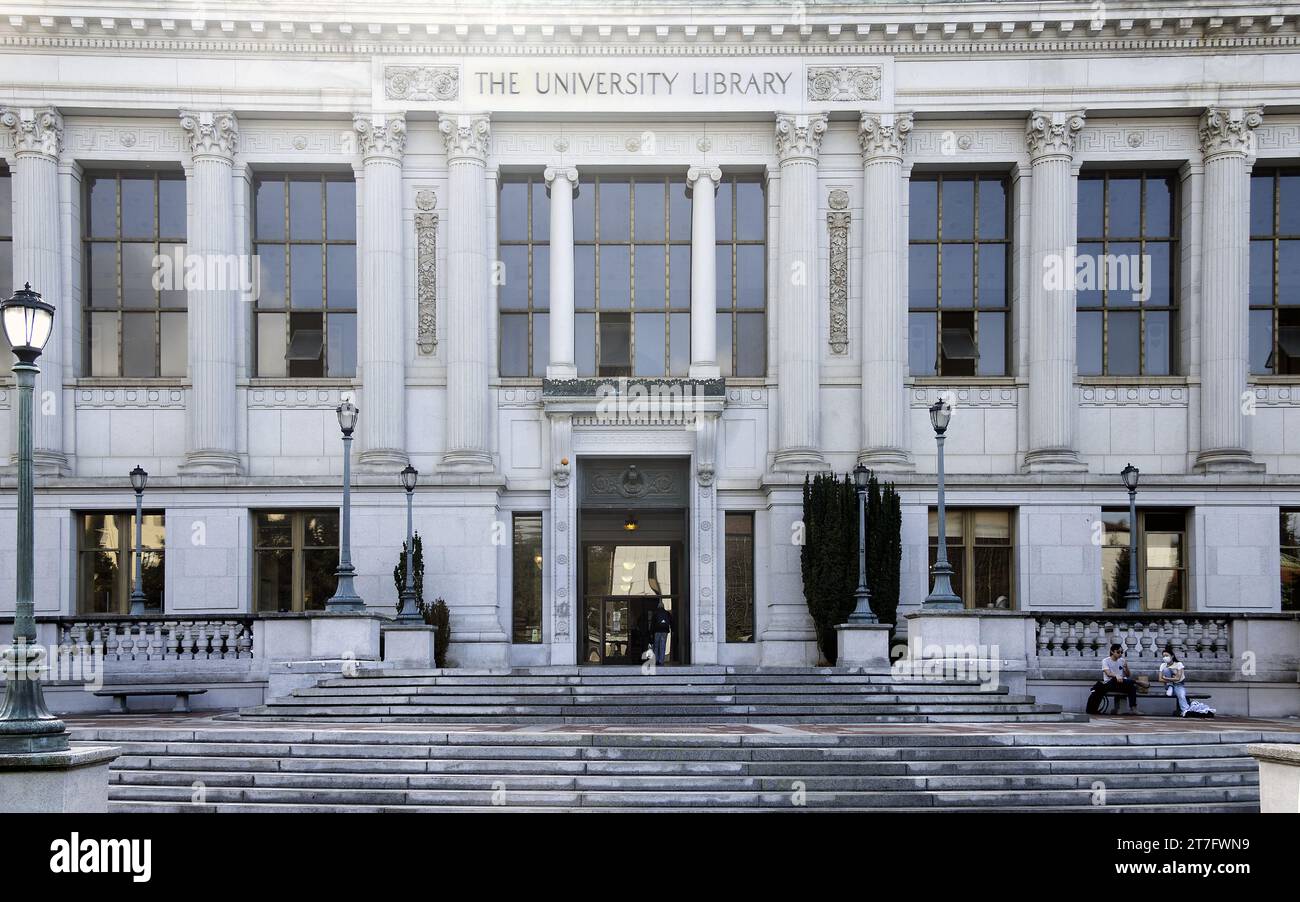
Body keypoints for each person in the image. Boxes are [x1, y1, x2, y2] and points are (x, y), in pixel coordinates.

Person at [1101, 643, 1140, 715]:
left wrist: (1126, 668)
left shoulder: (1122, 660)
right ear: (1112, 652)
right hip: (1110, 683)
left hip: (1122, 682)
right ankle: (1137, 682)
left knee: (1132, 687)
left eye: (1121, 652)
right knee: (1116, 679)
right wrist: (1116, 676)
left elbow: (1128, 675)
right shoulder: (1105, 661)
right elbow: (1108, 673)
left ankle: (1133, 708)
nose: (1120, 654)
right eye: (1118, 652)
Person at [1159, 645, 1190, 715]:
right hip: (1167, 685)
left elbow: (1178, 678)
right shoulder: (1163, 665)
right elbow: (1160, 679)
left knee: (1181, 695)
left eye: (1166, 656)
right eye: (1163, 656)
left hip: (1179, 685)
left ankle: (1185, 711)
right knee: (1166, 669)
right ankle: (1170, 687)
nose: (1164, 658)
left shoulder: (1179, 664)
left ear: (1172, 656)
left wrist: (1166, 678)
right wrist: (1170, 681)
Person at [650, 600, 674, 666]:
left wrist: (651, 633)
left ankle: (656, 660)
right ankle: (661, 661)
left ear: (658, 606)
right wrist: (673, 630)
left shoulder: (655, 613)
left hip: (657, 631)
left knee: (656, 646)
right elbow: (671, 622)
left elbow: (652, 624)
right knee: (662, 646)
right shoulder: (667, 613)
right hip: (664, 631)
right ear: (663, 606)